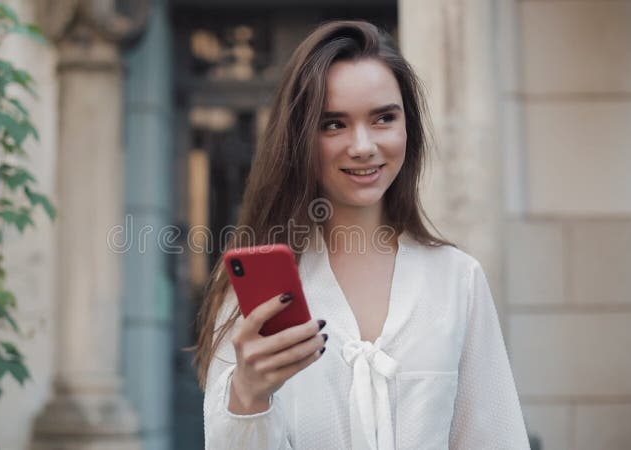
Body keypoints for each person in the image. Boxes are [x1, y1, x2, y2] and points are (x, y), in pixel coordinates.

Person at [193, 20, 529, 449]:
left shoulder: (456, 279)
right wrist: (248, 398)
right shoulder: (254, 295)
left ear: (408, 126)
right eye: (333, 124)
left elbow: (495, 438)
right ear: (299, 137)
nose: (363, 145)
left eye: (384, 118)